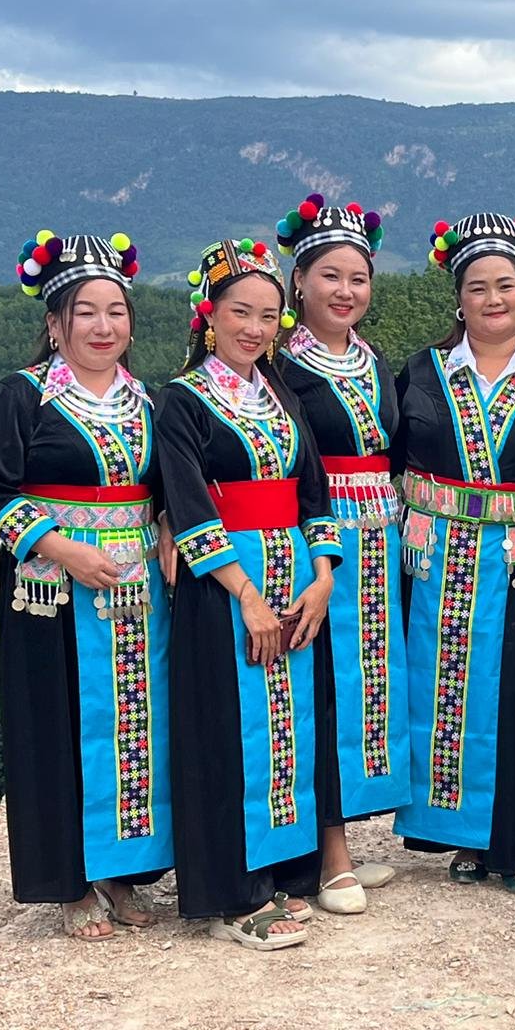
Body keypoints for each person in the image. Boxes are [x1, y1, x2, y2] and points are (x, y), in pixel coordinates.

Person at [0, 229, 171, 940]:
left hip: (135, 593)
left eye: (116, 311)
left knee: (133, 726)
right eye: (85, 312)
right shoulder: (23, 397)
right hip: (51, 590)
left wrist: (166, 531)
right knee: (56, 726)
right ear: (55, 323)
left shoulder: (148, 402)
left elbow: (165, 489)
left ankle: (121, 868)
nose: (102, 326)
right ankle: (70, 881)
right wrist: (63, 549)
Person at [158, 237, 338, 951]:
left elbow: (312, 493)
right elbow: (189, 505)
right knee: (229, 733)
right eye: (241, 312)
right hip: (224, 587)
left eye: (269, 315)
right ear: (209, 315)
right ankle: (233, 894)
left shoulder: (280, 393)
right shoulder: (181, 400)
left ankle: (283, 870)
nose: (256, 328)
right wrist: (245, 596)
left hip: (294, 576)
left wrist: (323, 578)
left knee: (290, 728)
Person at [393, 213, 515, 895]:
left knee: (514, 696)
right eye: (477, 287)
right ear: (458, 300)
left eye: (505, 285)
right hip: (432, 555)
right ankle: (460, 835)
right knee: (437, 691)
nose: (493, 299)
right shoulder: (420, 371)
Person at [274, 194, 408, 914]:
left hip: (379, 537)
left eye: (358, 278)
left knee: (362, 686)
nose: (345, 291)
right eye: (330, 275)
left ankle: (342, 835)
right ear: (298, 281)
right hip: (314, 540)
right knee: (319, 684)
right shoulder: (278, 368)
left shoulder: (374, 360)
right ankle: (327, 854)